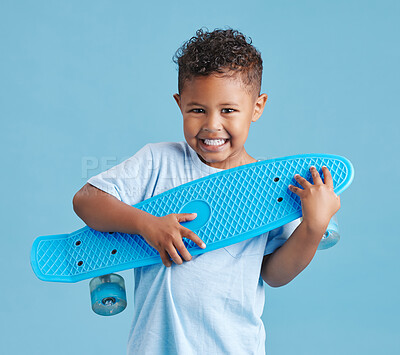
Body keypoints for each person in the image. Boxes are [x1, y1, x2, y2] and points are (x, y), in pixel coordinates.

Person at [73, 27, 341, 355]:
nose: (212, 124)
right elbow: (86, 200)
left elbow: (274, 273)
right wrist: (147, 224)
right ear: (179, 104)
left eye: (228, 110)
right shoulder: (158, 161)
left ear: (257, 107)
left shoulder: (269, 184)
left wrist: (313, 228)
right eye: (197, 109)